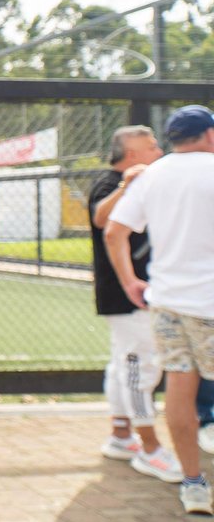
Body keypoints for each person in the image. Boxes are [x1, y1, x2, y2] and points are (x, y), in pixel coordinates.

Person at [105, 103, 214, 516]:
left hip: (167, 303)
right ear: (209, 135)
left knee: (179, 390)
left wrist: (130, 281)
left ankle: (193, 483)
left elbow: (114, 232)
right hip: (209, 303)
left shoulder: (153, 175)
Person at [86, 126, 181, 481]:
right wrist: (127, 185)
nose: (159, 151)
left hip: (130, 295)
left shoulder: (143, 183)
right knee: (140, 368)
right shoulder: (111, 183)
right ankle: (150, 448)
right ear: (132, 154)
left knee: (123, 365)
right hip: (129, 296)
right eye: (151, 146)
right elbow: (101, 218)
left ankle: (121, 435)